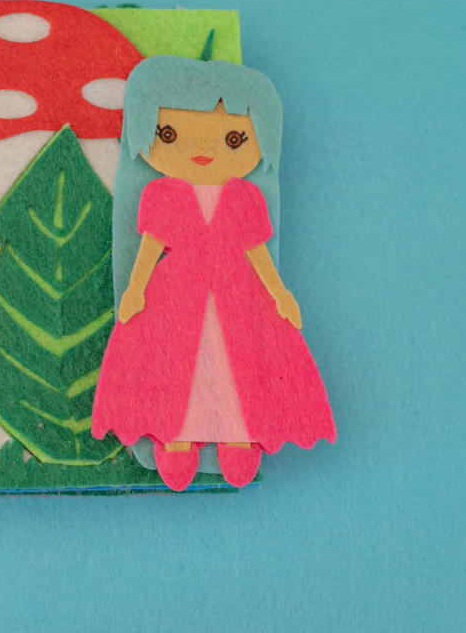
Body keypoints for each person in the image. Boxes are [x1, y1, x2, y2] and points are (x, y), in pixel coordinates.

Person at [91, 55, 335, 490]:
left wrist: (280, 293)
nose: (202, 149)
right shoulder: (162, 195)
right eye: (169, 134)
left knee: (232, 361)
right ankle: (177, 438)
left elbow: (258, 254)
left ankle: (237, 436)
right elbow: (149, 248)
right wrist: (135, 288)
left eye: (234, 139)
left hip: (236, 292)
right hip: (175, 293)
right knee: (176, 361)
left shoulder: (245, 198)